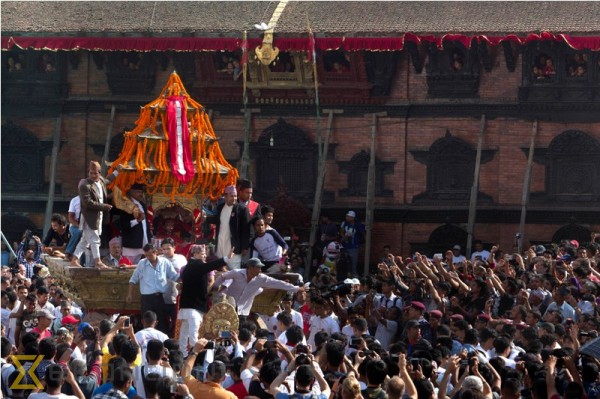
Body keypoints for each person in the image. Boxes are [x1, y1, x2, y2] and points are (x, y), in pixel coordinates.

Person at [178, 244, 231, 356]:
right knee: (193, 336)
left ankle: (183, 355)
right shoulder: (196, 265)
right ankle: (196, 357)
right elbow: (211, 266)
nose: (204, 256)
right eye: (202, 254)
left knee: (183, 335)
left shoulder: (188, 266)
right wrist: (226, 258)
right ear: (195, 254)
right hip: (194, 308)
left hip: (187, 306)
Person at [213, 258, 305, 320]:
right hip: (229, 306)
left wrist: (296, 288)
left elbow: (278, 283)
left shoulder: (261, 278)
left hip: (243, 311)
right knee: (225, 328)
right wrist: (216, 288)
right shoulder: (236, 273)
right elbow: (222, 276)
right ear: (250, 268)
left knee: (237, 331)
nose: (260, 270)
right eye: (258, 268)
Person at [71, 161, 119, 269]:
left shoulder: (100, 180)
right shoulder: (84, 185)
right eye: (91, 173)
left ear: (99, 173)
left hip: (98, 217)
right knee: (95, 239)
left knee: (85, 241)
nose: (93, 175)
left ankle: (74, 259)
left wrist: (117, 172)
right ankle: (97, 261)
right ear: (88, 172)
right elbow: (88, 203)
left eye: (95, 173)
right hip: (89, 217)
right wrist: (104, 206)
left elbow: (108, 179)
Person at [127, 244, 179, 334]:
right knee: (147, 321)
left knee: (161, 322)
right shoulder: (142, 263)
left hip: (160, 297)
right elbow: (133, 279)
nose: (148, 257)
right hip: (147, 299)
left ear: (156, 252)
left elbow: (174, 276)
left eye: (150, 255)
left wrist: (183, 280)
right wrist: (129, 294)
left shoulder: (164, 262)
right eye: (146, 255)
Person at [209, 185, 250, 270]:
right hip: (220, 244)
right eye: (231, 196)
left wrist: (245, 247)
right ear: (225, 196)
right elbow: (217, 220)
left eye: (235, 196)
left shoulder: (242, 210)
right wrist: (205, 218)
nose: (234, 198)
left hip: (233, 246)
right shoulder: (220, 208)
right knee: (220, 269)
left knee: (234, 271)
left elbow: (246, 230)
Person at [118, 183, 152, 264]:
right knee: (128, 266)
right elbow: (123, 224)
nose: (140, 194)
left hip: (143, 242)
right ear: (131, 192)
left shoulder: (142, 205)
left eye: (141, 192)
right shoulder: (126, 204)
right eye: (137, 192)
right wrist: (137, 221)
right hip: (132, 243)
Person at [340, 211, 365, 275]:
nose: (346, 218)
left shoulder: (358, 225)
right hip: (345, 246)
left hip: (354, 246)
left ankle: (354, 275)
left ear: (352, 218)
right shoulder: (344, 223)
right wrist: (343, 236)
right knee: (344, 261)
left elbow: (363, 233)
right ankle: (345, 275)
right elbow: (341, 231)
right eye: (346, 216)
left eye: (348, 217)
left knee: (353, 263)